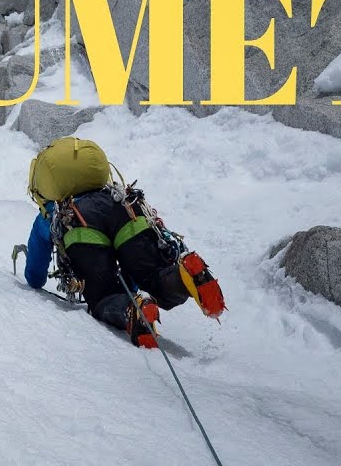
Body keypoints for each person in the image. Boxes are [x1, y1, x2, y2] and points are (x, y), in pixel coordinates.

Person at [19, 137, 224, 348]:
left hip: (79, 223)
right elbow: (131, 264)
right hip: (127, 212)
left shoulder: (50, 214)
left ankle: (130, 311)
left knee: (102, 297)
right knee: (154, 277)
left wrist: (33, 279)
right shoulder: (113, 194)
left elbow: (35, 275)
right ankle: (184, 276)